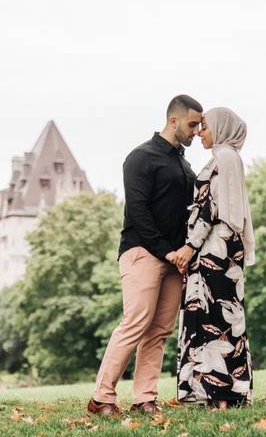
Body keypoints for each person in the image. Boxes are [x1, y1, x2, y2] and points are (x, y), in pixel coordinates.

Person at [87, 94, 203, 417]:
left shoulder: (185, 165)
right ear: (174, 120)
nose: (196, 131)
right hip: (142, 252)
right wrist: (167, 252)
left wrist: (183, 253)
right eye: (192, 124)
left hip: (175, 260)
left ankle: (144, 398)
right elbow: (137, 211)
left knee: (159, 332)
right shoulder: (141, 157)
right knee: (135, 323)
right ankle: (101, 398)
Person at [175, 107, 256, 409]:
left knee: (210, 317)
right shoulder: (231, 159)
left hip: (213, 251)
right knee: (226, 318)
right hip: (227, 252)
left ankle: (216, 395)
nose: (199, 132)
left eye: (205, 126)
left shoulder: (222, 159)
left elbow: (210, 209)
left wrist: (189, 247)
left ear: (221, 129)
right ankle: (225, 394)